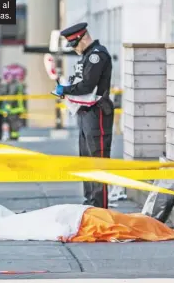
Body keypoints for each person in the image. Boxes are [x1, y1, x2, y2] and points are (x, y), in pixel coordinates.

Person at [53, 22, 114, 209]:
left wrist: (67, 89)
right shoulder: (88, 55)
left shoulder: (97, 56)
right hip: (86, 113)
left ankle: (100, 207)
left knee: (97, 159)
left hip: (97, 112)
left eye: (74, 44)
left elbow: (88, 85)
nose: (74, 49)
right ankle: (91, 203)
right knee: (86, 160)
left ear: (83, 38)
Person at [5, 75, 26, 140]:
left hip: (14, 109)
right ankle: (14, 136)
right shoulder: (19, 86)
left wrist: (8, 106)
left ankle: (13, 137)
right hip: (18, 108)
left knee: (13, 123)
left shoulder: (14, 86)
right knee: (14, 123)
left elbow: (12, 97)